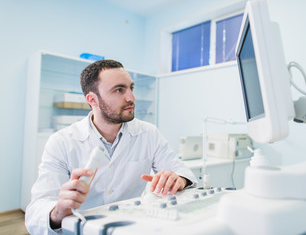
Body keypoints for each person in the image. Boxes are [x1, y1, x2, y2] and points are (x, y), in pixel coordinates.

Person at [25, 60, 197, 234]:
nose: (131, 98)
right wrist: (58, 211)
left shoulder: (149, 133)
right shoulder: (61, 142)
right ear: (92, 100)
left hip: (133, 227)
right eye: (119, 90)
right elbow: (36, 212)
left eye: (131, 88)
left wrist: (178, 179)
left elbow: (182, 172)